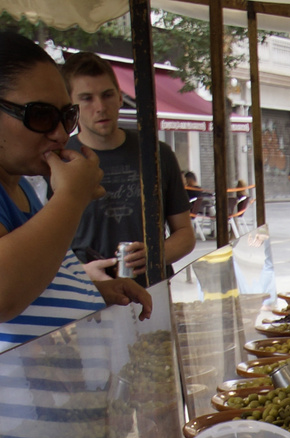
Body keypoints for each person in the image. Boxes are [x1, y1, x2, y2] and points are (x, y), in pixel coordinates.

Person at [0, 33, 151, 353]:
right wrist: (72, 196)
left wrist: (93, 290)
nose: (59, 133)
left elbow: (33, 283)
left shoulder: (22, 186)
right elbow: (3, 294)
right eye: (40, 116)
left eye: (66, 117)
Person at [61, 52, 195, 284]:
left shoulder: (157, 154)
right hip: (89, 298)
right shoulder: (60, 160)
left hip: (153, 291)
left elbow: (185, 234)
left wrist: (156, 254)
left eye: (107, 95)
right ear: (71, 106)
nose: (100, 107)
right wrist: (81, 273)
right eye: (87, 98)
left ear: (120, 97)